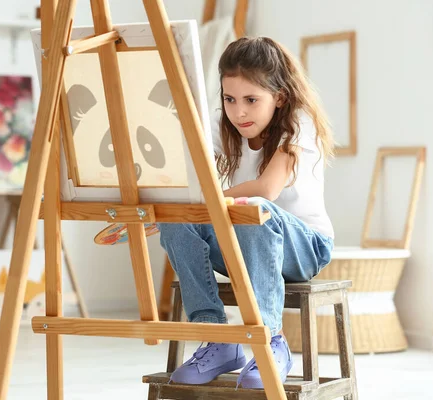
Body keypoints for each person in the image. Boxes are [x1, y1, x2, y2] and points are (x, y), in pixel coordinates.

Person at [157, 36, 335, 389]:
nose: (239, 112)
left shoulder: (299, 123)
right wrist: (173, 207)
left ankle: (270, 341)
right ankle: (218, 338)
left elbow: (267, 189)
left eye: (252, 100)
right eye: (230, 99)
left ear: (279, 97)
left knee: (255, 209)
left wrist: (207, 201)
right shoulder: (225, 122)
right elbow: (179, 162)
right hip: (242, 240)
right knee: (176, 220)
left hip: (304, 247)